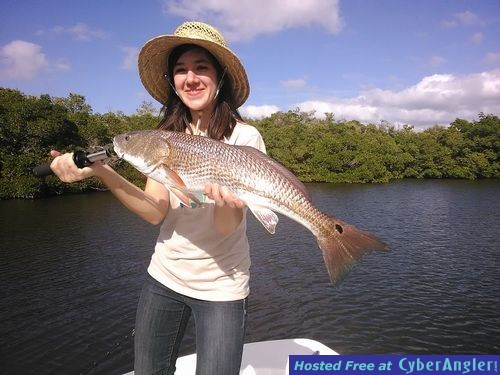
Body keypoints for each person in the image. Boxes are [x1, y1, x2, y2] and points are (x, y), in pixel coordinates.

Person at [50, 21, 266, 375]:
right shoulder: (163, 138)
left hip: (223, 287)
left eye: (202, 67)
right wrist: (103, 171)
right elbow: (155, 212)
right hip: (163, 278)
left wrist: (228, 203)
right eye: (180, 70)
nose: (190, 78)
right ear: (172, 82)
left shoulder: (245, 137)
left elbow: (227, 228)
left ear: (220, 77)